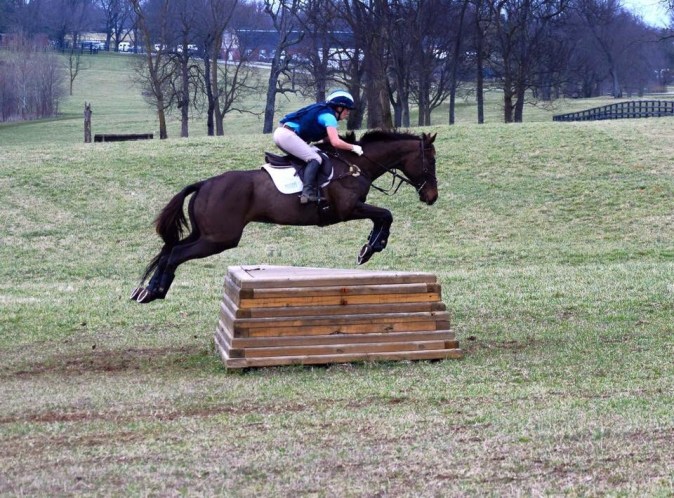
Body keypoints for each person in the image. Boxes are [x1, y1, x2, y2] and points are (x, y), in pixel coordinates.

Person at [273, 90, 364, 204]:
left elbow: (328, 139)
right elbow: (335, 142)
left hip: (282, 134)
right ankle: (307, 193)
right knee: (315, 159)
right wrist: (353, 147)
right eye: (347, 109)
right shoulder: (330, 117)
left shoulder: (324, 112)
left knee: (310, 156)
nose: (348, 112)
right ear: (339, 108)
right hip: (287, 136)